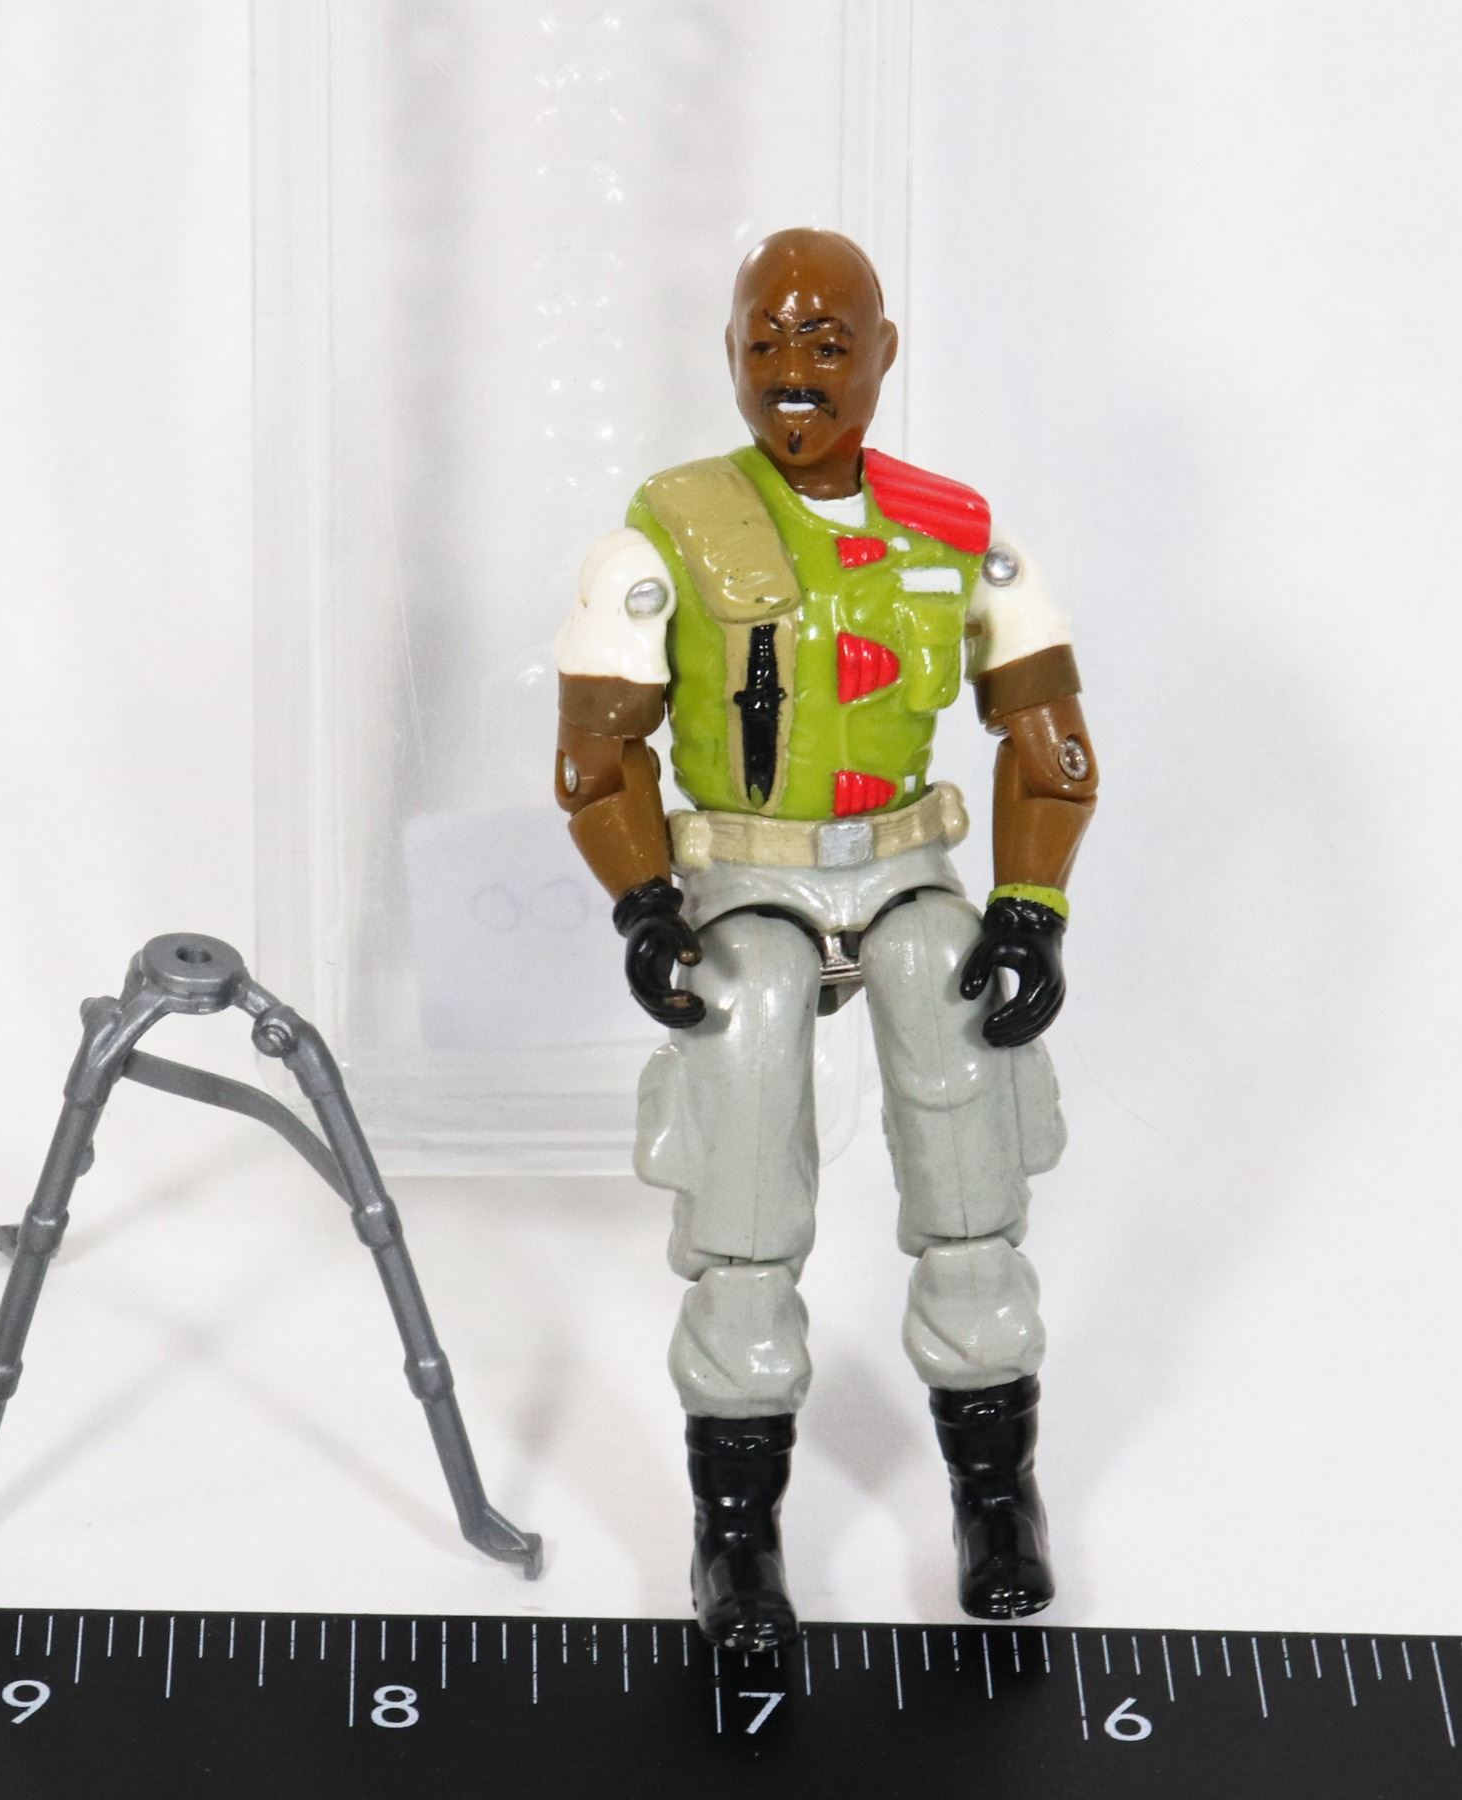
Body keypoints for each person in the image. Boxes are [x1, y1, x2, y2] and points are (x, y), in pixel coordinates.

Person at [554, 227, 1098, 1650]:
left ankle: (997, 1494)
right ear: (731, 355)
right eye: (767, 341)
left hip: (906, 866)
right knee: (743, 1063)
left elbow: (1049, 744)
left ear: (882, 355)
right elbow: (598, 757)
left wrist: (1032, 908)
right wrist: (642, 901)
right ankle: (736, 1533)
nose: (794, 371)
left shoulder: (953, 534)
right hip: (746, 870)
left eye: (827, 341)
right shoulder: (668, 531)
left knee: (957, 1041)